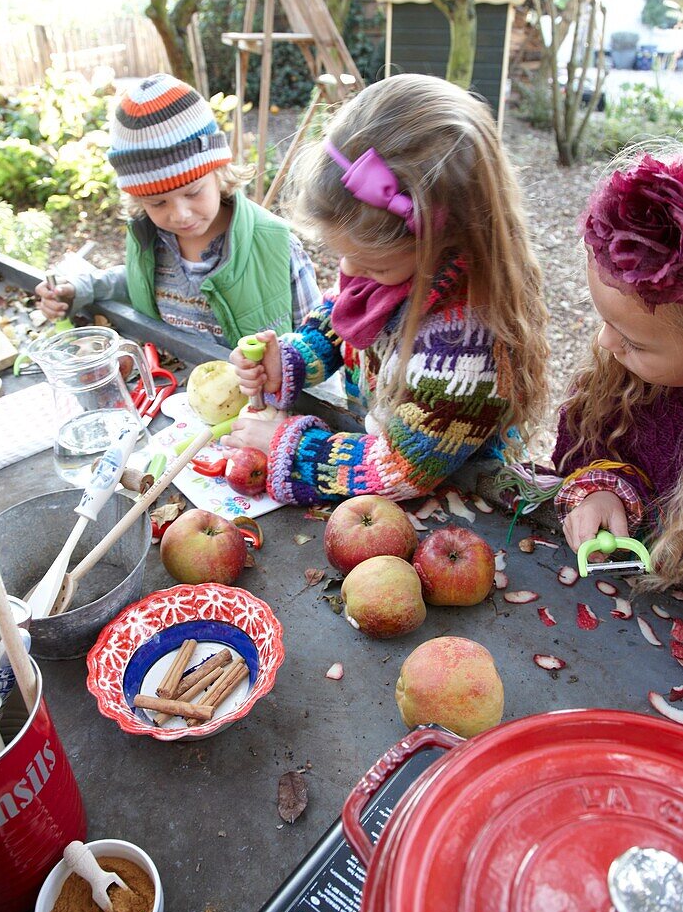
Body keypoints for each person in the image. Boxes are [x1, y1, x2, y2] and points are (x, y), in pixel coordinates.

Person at [221, 73, 550, 505]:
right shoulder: (395, 267)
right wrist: (290, 360)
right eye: (345, 255)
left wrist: (288, 447)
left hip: (463, 498)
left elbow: (400, 469)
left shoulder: (466, 344)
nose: (348, 271)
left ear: (441, 240)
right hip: (375, 442)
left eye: (372, 265)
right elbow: (344, 319)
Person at [35, 74, 320, 345]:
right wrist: (79, 288)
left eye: (193, 192)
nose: (180, 214)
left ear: (219, 172)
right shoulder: (150, 239)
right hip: (173, 391)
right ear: (138, 199)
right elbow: (138, 283)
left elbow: (317, 339)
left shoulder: (277, 246)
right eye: (157, 202)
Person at [552, 150, 683, 591]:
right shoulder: (622, 381)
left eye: (633, 342)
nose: (606, 343)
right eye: (603, 321)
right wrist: (605, 489)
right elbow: (587, 444)